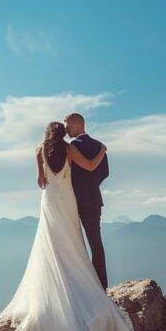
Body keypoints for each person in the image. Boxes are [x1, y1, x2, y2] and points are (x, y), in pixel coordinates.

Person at [0, 121, 139, 331]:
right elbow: (89, 167)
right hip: (67, 202)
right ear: (62, 134)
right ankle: (79, 282)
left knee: (50, 246)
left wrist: (48, 172)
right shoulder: (70, 149)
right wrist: (103, 150)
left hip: (49, 203)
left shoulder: (39, 150)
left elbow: (40, 182)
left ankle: (55, 284)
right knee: (74, 246)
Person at [63, 112, 110, 289]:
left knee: (73, 242)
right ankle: (101, 286)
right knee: (95, 243)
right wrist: (91, 185)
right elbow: (105, 173)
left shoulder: (71, 147)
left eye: (67, 126)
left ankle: (78, 287)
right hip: (94, 200)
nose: (65, 130)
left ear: (76, 125)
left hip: (75, 201)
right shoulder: (99, 146)